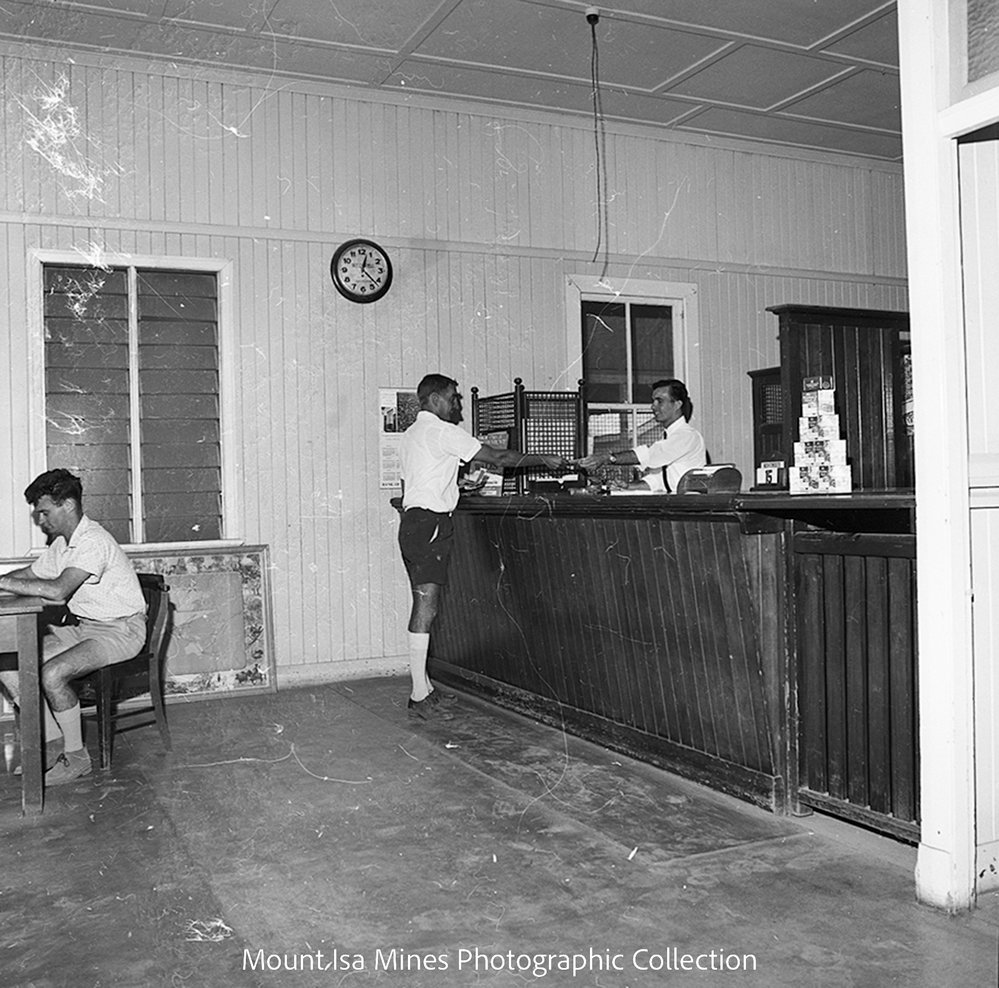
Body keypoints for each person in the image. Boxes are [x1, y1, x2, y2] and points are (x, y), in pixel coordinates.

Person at [398, 374, 569, 721]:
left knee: (423, 604)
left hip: (414, 523)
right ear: (434, 400)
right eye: (452, 398)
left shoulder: (412, 434)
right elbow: (499, 456)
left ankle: (425, 688)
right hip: (431, 524)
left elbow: (419, 477)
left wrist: (456, 483)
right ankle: (418, 695)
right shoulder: (444, 431)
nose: (457, 404)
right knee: (426, 607)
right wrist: (543, 459)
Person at [0, 469, 146, 784]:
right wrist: (2, 582)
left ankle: (77, 758)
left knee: (53, 673)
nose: (39, 520)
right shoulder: (64, 543)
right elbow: (31, 574)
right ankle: (53, 745)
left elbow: (57, 590)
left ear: (67, 504)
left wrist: (7, 582)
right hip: (86, 628)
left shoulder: (93, 541)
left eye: (44, 511)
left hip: (121, 631)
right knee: (9, 663)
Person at [577, 378, 706, 491]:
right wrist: (629, 486)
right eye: (653, 401)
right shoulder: (668, 436)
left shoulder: (687, 436)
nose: (653, 407)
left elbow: (651, 455)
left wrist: (608, 458)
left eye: (659, 401)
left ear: (677, 404)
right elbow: (659, 480)